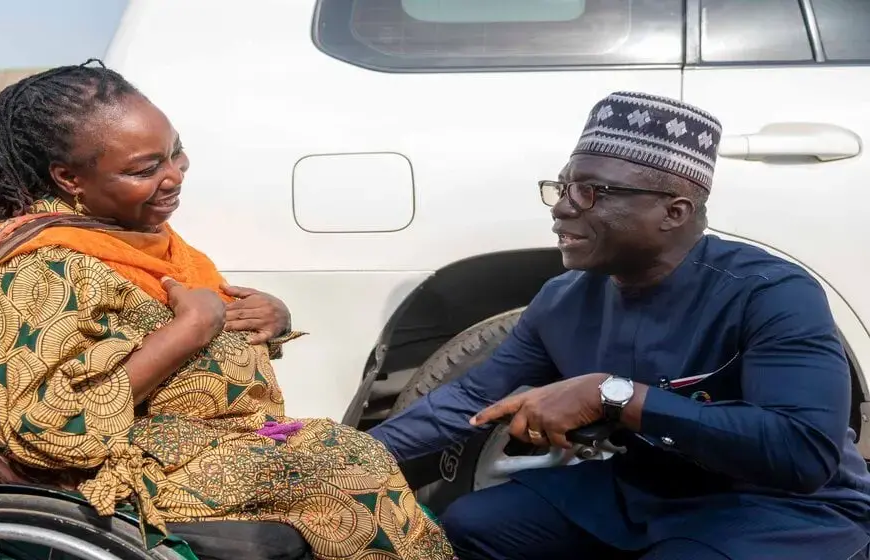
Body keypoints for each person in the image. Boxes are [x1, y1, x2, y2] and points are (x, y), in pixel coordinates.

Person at [0, 60, 454, 560]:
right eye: (145, 168)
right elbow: (42, 429)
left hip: (189, 442)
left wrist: (268, 320)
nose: (174, 175)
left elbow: (171, 325)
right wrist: (191, 330)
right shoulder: (37, 271)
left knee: (347, 458)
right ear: (69, 179)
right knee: (343, 470)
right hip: (93, 473)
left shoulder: (134, 239)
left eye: (176, 152)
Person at [369, 91, 870, 559]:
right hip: (644, 488)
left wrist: (613, 395)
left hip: (781, 504)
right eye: (563, 187)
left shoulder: (770, 293)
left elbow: (802, 454)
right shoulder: (563, 300)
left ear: (673, 211)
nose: (562, 209)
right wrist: (339, 456)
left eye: (590, 192)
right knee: (474, 523)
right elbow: (470, 399)